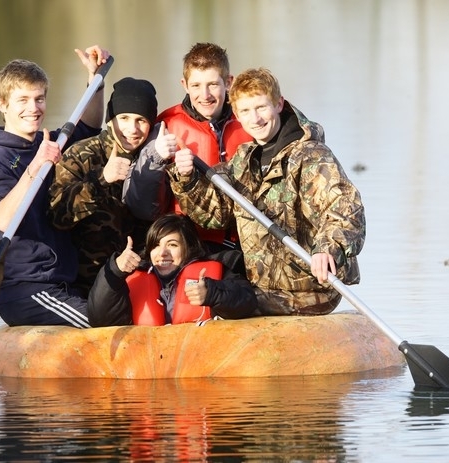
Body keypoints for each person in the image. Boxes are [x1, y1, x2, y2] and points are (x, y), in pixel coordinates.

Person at [168, 68, 365, 316]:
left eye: (261, 108)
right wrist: (186, 178)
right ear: (236, 114)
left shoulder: (311, 156)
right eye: (246, 111)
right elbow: (214, 215)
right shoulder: (242, 160)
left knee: (227, 299)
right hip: (263, 288)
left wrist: (328, 249)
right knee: (220, 296)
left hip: (310, 288)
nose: (256, 119)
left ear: (278, 104)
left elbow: (346, 209)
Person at [0, 45, 110, 328]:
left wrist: (96, 79)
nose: (33, 109)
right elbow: (3, 219)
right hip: (27, 289)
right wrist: (35, 167)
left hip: (63, 280)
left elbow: (90, 127)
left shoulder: (48, 143)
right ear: (2, 104)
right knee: (104, 322)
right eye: (22, 100)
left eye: (39, 99)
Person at [122, 42, 252, 251]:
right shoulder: (166, 126)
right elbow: (142, 206)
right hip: (188, 247)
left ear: (228, 82)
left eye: (213, 84)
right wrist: (155, 157)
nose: (205, 95)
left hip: (244, 242)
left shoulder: (250, 119)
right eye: (196, 85)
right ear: (185, 85)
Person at [47, 77, 159, 297]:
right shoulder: (82, 154)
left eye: (141, 120)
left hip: (141, 279)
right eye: (124, 118)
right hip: (86, 285)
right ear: (110, 119)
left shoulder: (155, 156)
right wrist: (101, 180)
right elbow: (57, 215)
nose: (132, 129)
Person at [87, 213, 258, 327]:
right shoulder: (131, 277)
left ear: (188, 248)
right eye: (155, 246)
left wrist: (212, 294)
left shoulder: (216, 273)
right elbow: (100, 320)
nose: (162, 253)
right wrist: (114, 271)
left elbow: (247, 301)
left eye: (172, 245)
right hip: (147, 361)